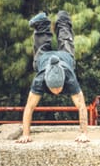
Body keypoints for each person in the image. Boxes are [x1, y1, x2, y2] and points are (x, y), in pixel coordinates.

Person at [16, 11, 90, 143]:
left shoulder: (69, 78)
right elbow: (29, 107)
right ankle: (43, 23)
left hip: (65, 58)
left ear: (64, 81)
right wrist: (25, 134)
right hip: (44, 59)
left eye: (59, 88)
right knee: (43, 50)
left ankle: (61, 19)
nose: (57, 92)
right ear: (46, 82)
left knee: (65, 39)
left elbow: (81, 106)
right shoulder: (39, 80)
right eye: (53, 89)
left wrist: (84, 133)